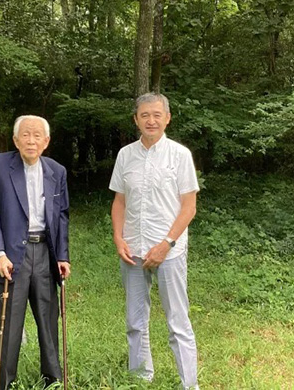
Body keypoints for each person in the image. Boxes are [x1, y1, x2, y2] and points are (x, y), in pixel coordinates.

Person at [109, 93, 200, 390]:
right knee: (135, 321)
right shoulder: (125, 155)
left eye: (157, 115)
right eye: (145, 115)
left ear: (167, 118)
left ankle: (190, 384)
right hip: (132, 250)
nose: (151, 120)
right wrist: (118, 237)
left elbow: (189, 207)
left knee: (177, 322)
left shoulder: (180, 155)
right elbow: (119, 201)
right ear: (136, 119)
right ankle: (140, 378)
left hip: (169, 252)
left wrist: (166, 244)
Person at [0, 115, 71, 389]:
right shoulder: (0, 164)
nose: (31, 140)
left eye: (37, 136)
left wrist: (63, 256)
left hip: (45, 252)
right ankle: (4, 382)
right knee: (9, 323)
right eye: (26, 135)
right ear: (15, 140)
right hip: (11, 255)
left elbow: (63, 216)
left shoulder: (57, 170)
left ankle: (53, 379)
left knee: (47, 317)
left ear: (46, 142)